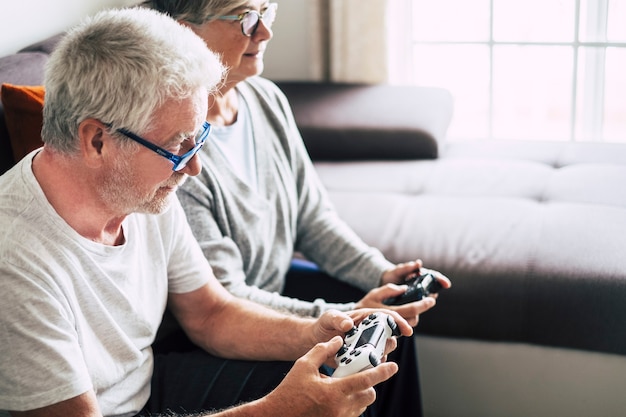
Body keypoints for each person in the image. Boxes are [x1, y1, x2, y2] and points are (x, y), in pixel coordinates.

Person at [0, 7, 418, 417]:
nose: (194, 167)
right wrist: (280, 411)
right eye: (179, 145)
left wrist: (315, 332)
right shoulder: (15, 262)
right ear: (96, 141)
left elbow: (211, 313)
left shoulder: (141, 190)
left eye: (198, 140)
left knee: (360, 376)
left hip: (151, 386)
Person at [139, 1, 452, 416]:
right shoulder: (174, 149)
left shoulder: (265, 99)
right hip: (216, 330)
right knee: (347, 367)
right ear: (183, 32)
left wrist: (378, 272)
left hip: (270, 291)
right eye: (246, 19)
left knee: (392, 326)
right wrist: (345, 317)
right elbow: (223, 299)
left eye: (267, 13)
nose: (265, 32)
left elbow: (313, 217)